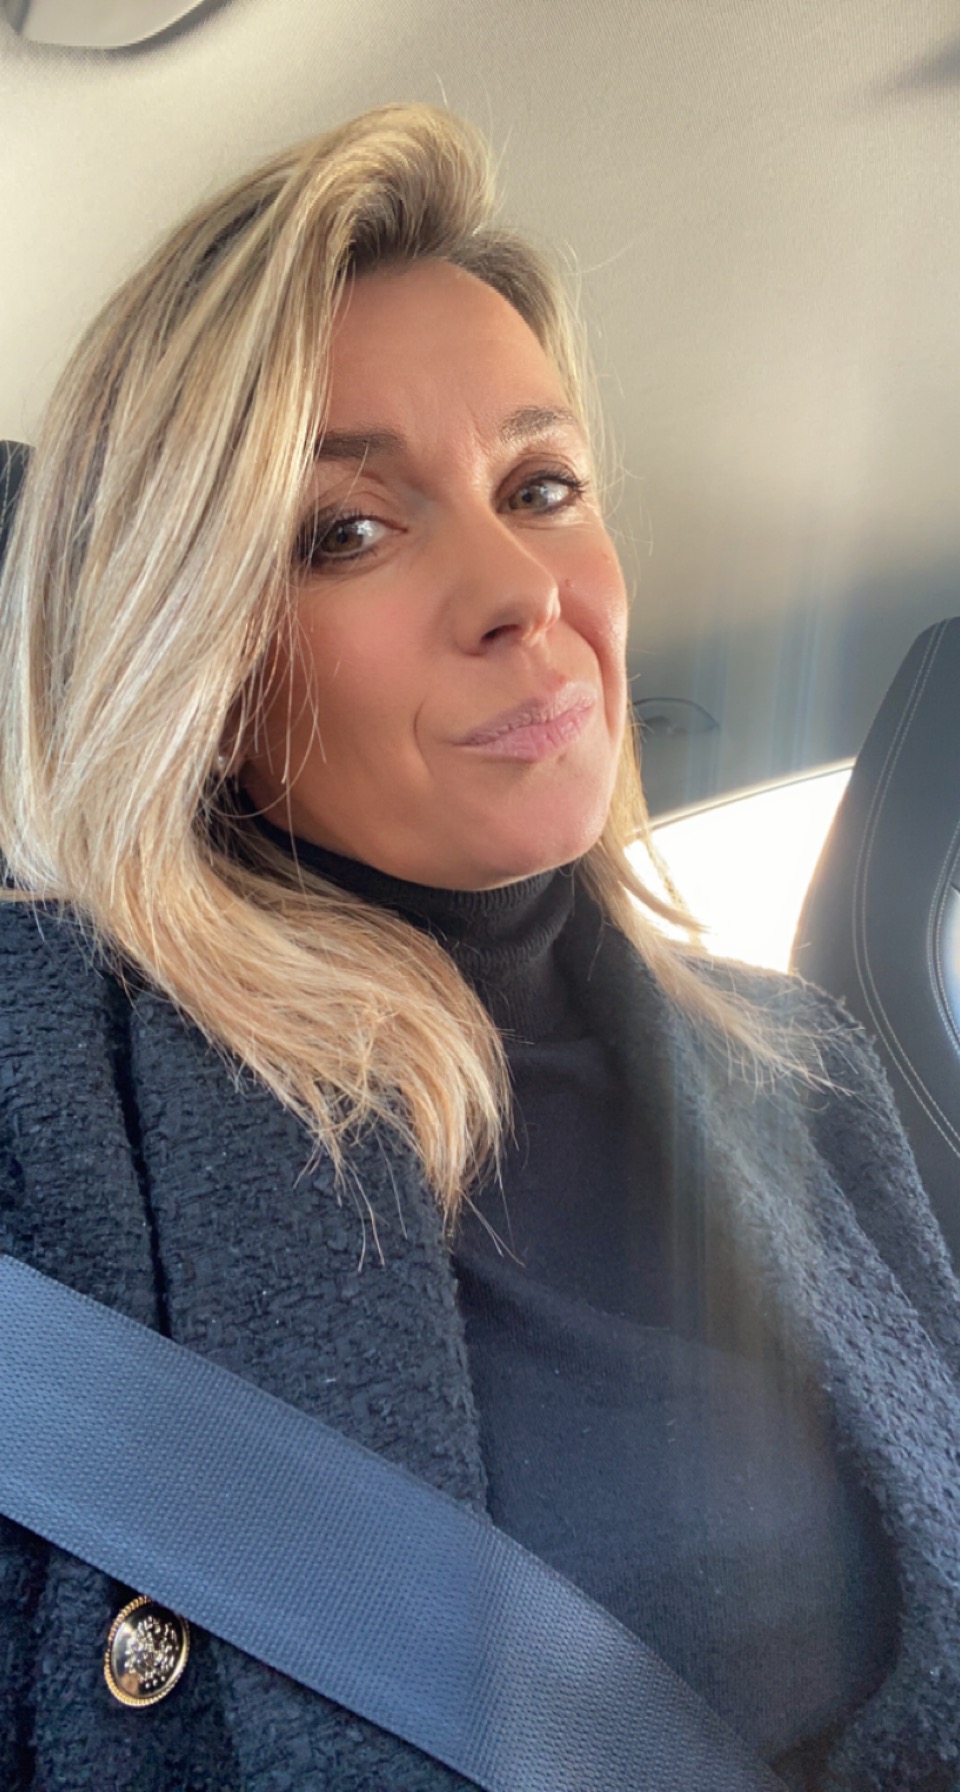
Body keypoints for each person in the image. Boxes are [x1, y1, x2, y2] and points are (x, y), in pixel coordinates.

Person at [0, 103, 958, 1792]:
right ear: (192, 659)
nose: (524, 586)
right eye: (347, 530)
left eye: (542, 486)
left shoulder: (801, 1069)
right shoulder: (49, 1094)